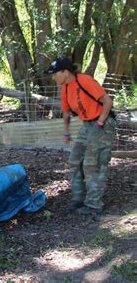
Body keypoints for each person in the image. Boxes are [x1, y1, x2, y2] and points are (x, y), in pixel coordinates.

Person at [45, 56, 116, 215]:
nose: (53, 77)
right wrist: (66, 132)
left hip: (102, 123)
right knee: (74, 161)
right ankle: (79, 199)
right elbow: (66, 113)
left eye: (55, 73)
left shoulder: (85, 81)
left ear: (65, 72)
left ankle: (93, 205)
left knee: (92, 164)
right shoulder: (65, 87)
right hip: (87, 125)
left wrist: (100, 123)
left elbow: (107, 101)